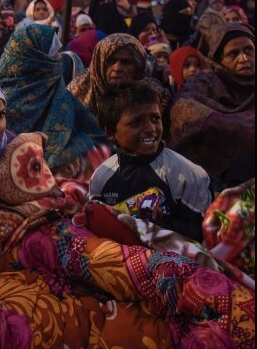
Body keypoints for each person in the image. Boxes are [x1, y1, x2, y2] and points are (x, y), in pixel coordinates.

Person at [90, 81, 211, 242]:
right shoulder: (101, 177)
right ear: (111, 132)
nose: (150, 129)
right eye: (136, 122)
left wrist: (161, 224)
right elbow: (97, 227)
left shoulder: (189, 175)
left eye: (155, 119)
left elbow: (204, 234)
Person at [0, 22, 110, 177]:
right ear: (37, 60)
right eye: (54, 54)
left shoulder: (58, 93)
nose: (59, 59)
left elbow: (96, 135)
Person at [169, 23, 255, 189]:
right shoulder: (204, 84)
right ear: (217, 60)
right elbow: (183, 110)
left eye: (249, 50)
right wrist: (232, 124)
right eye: (233, 54)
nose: (243, 59)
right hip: (214, 185)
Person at [68, 33, 170, 117]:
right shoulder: (77, 93)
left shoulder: (154, 97)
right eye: (111, 61)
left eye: (126, 62)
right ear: (99, 63)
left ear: (138, 67)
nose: (117, 69)